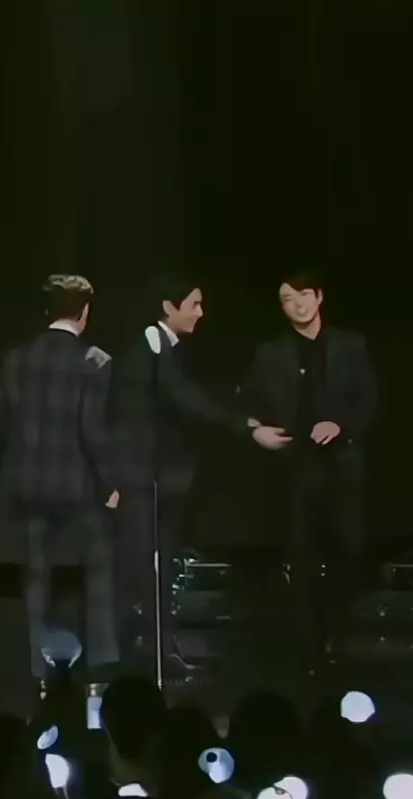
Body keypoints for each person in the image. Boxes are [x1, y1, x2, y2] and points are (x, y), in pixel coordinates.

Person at [109, 271, 270, 675]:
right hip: (142, 476)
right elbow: (183, 398)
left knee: (158, 565)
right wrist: (243, 425)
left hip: (160, 477)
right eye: (194, 304)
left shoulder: (167, 348)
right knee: (140, 567)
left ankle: (158, 651)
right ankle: (128, 656)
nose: (201, 312)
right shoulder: (152, 345)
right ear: (169, 306)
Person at [238, 271, 377, 665]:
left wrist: (340, 425)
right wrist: (255, 430)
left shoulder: (350, 345)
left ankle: (336, 631)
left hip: (343, 462)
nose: (297, 304)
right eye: (287, 298)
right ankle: (309, 644)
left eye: (303, 295)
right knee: (300, 554)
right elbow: (246, 403)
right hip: (296, 464)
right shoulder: (271, 353)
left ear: (318, 297)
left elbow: (369, 398)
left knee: (350, 548)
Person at [0, 275, 119, 690]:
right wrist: (109, 484)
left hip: (28, 483)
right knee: (97, 567)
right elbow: (91, 430)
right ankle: (100, 663)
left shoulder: (16, 359)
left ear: (47, 310)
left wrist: (5, 468)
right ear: (85, 311)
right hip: (76, 484)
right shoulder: (95, 360)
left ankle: (38, 666)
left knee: (36, 574)